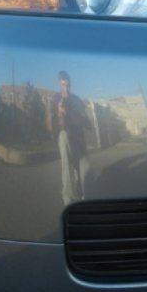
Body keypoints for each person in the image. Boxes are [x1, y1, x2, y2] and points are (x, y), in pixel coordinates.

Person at [50, 71, 90, 205]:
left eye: (66, 82)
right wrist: (59, 113)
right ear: (59, 83)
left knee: (82, 166)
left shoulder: (76, 99)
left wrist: (69, 113)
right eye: (62, 82)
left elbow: (84, 121)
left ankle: (84, 194)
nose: (64, 86)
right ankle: (69, 199)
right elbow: (53, 118)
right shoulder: (56, 98)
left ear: (69, 83)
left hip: (78, 135)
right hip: (65, 134)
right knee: (66, 165)